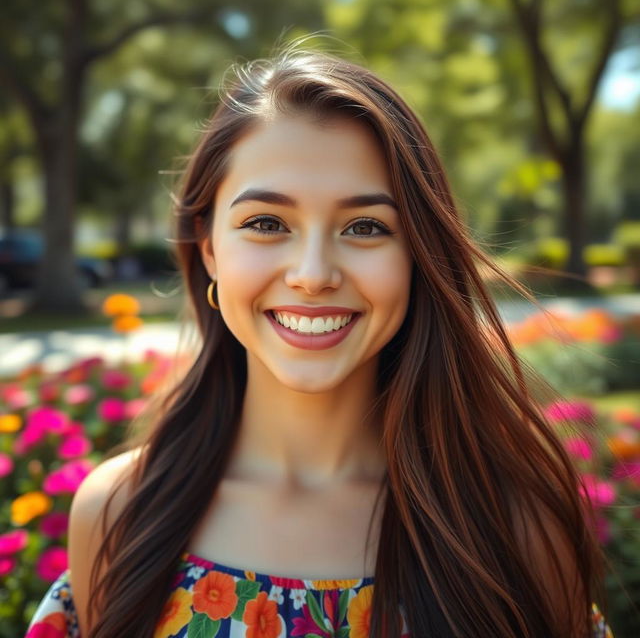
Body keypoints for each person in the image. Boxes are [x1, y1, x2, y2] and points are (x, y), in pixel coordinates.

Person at [25, 43, 614, 638]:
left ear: (417, 255)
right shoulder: (122, 513)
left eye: (365, 227)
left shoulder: (512, 528)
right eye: (266, 223)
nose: (312, 273)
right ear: (208, 248)